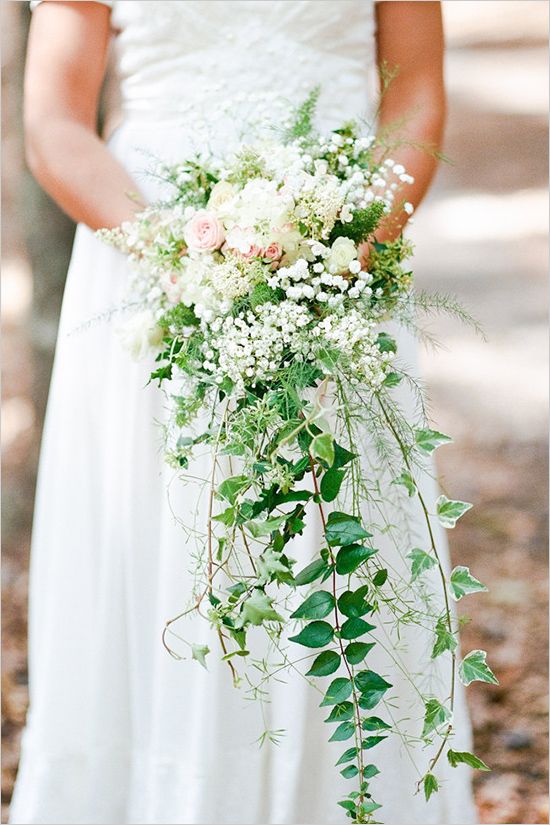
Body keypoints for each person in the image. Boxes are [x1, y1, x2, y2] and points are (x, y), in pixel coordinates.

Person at [11, 2, 477, 823]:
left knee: (343, 544)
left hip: (340, 264)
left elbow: (417, 94)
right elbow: (53, 119)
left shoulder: (346, 256)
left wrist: (352, 246)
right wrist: (173, 252)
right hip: (147, 260)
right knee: (166, 546)